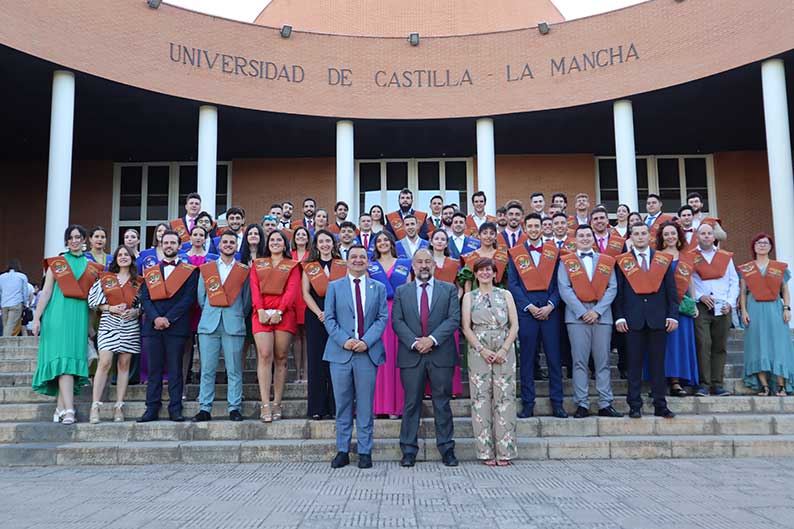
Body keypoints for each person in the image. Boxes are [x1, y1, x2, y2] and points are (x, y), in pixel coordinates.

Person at [392, 248, 461, 467]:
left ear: (434, 265)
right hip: (411, 355)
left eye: (428, 262)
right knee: (411, 404)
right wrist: (415, 342)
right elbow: (397, 322)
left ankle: (447, 449)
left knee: (442, 403)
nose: (423, 265)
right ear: (413, 266)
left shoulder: (448, 289)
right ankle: (409, 451)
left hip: (440, 354)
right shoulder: (402, 291)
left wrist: (431, 340)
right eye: (419, 262)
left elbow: (453, 319)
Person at [323, 246, 389, 469]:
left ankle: (364, 451)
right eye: (354, 257)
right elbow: (329, 318)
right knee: (342, 404)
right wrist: (344, 340)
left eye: (362, 257)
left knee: (365, 404)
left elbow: (382, 318)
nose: (358, 260)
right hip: (340, 353)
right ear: (347, 261)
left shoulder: (378, 287)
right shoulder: (334, 287)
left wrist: (366, 341)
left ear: (368, 261)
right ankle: (342, 450)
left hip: (367, 353)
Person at [32, 225, 104, 425]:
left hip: (79, 317)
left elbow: (92, 301)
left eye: (78, 237)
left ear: (84, 240)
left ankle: (61, 407)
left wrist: (90, 326)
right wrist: (37, 318)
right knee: (63, 362)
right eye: (71, 237)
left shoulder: (92, 267)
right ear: (66, 241)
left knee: (70, 362)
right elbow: (46, 292)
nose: (74, 240)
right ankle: (69, 410)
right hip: (56, 316)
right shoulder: (58, 263)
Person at [614, 222, 678, 419]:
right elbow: (619, 292)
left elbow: (671, 291)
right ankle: (634, 405)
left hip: (658, 319)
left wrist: (672, 315)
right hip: (632, 320)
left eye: (644, 233)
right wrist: (619, 317)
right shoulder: (622, 261)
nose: (640, 237)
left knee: (658, 365)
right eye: (636, 234)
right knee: (634, 366)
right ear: (631, 237)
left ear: (649, 236)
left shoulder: (662, 260)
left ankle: (661, 404)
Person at [557, 225, 622, 418]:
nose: (585, 238)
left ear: (593, 239)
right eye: (581, 236)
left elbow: (612, 288)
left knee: (602, 362)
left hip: (602, 316)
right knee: (579, 362)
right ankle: (582, 403)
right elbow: (564, 288)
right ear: (575, 240)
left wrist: (597, 311)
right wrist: (581, 311)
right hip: (577, 318)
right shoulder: (566, 262)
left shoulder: (605, 261)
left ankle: (605, 402)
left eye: (588, 235)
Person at [461, 257, 519, 465]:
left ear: (495, 273)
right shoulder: (469, 296)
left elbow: (514, 325)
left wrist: (504, 348)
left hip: (504, 347)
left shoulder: (506, 294)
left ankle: (505, 451)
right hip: (479, 349)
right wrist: (481, 349)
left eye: (489, 270)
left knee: (505, 399)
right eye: (481, 270)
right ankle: (485, 452)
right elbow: (466, 327)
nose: (485, 273)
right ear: (475, 274)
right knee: (480, 399)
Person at [507, 213, 566, 418]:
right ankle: (528, 403)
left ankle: (557, 403)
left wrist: (551, 305)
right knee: (528, 360)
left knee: (554, 358)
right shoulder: (515, 253)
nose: (533, 229)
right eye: (529, 226)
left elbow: (561, 283)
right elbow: (512, 284)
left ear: (543, 228)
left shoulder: (554, 252)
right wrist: (529, 306)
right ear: (525, 228)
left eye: (536, 226)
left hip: (551, 312)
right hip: (527, 312)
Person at [137, 230, 199, 422]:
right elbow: (145, 298)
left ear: (180, 246)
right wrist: (156, 318)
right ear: (161, 245)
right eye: (166, 243)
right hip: (153, 327)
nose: (169, 246)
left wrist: (168, 319)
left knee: (175, 370)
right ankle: (151, 408)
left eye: (173, 243)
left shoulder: (189, 271)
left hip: (177, 327)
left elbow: (188, 299)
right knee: (154, 370)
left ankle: (175, 408)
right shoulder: (151, 272)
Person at [192, 230, 251, 422]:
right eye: (225, 242)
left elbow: (247, 300)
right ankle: (205, 408)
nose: (228, 245)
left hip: (233, 324)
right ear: (219, 245)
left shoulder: (243, 270)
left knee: (234, 369)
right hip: (209, 324)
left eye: (232, 243)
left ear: (236, 246)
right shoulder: (207, 269)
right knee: (207, 369)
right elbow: (201, 297)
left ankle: (234, 407)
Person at [250, 230, 300, 422]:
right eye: (272, 240)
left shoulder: (292, 265)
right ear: (267, 243)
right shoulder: (258, 264)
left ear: (285, 244)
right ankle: (265, 404)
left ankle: (277, 402)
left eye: (279, 239)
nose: (275, 242)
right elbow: (254, 287)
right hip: (260, 314)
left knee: (281, 357)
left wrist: (279, 311)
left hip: (284, 314)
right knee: (264, 355)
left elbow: (292, 289)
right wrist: (260, 309)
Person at [87, 246, 141, 423]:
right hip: (109, 323)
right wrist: (110, 308)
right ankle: (95, 406)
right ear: (115, 258)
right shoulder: (106, 278)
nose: (123, 257)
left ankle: (119, 406)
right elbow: (93, 301)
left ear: (132, 258)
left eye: (127, 255)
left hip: (129, 324)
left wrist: (135, 312)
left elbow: (143, 305)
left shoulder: (139, 281)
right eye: (120, 255)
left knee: (124, 364)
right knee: (105, 362)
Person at [738, 233, 794, 396]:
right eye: (758, 242)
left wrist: (786, 308)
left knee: (779, 346)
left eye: (765, 243)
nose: (762, 245)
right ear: (753, 246)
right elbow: (742, 292)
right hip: (754, 309)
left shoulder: (779, 267)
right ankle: (764, 386)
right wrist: (744, 311)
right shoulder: (747, 268)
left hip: (775, 308)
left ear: (771, 247)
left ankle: (781, 385)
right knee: (757, 346)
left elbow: (785, 290)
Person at [691, 223, 739, 397]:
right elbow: (686, 281)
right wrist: (699, 296)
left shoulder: (725, 257)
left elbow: (734, 281)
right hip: (702, 306)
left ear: (714, 236)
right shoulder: (691, 256)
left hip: (723, 306)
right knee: (703, 344)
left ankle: (717, 384)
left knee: (719, 345)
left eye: (709, 233)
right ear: (697, 237)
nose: (706, 236)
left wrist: (730, 302)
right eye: (702, 233)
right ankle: (703, 383)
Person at [302, 230, 346, 419]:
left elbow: (345, 290)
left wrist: (332, 315)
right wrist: (319, 313)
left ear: (333, 244)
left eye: (328, 241)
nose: (325, 244)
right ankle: (317, 408)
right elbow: (305, 293)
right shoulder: (309, 266)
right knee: (316, 362)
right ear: (316, 245)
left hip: (338, 317)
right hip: (316, 315)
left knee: (336, 362)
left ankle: (336, 407)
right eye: (321, 241)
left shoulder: (342, 265)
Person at [369, 231, 413, 418]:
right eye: (379, 240)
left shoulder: (404, 264)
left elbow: (410, 291)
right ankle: (380, 406)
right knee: (379, 360)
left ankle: (397, 407)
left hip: (399, 313)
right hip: (378, 315)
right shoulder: (370, 266)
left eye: (386, 240)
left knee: (397, 360)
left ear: (392, 243)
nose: (383, 243)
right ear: (375, 245)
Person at [654, 221, 699, 396]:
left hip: (682, 306)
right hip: (662, 306)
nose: (670, 237)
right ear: (662, 238)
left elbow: (690, 281)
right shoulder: (657, 256)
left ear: (678, 236)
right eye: (666, 234)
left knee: (679, 343)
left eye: (673, 233)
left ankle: (676, 382)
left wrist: (693, 303)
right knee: (663, 344)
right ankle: (660, 380)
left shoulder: (686, 257)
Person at [179, 225, 219, 393]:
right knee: (185, 348)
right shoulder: (181, 258)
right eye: (194, 234)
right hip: (186, 308)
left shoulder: (212, 259)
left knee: (205, 349)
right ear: (190, 237)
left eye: (201, 235)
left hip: (206, 307)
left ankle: (205, 389)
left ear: (205, 238)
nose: (197, 237)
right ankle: (181, 388)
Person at [429, 230, 464, 397]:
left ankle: (452, 388)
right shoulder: (425, 262)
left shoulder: (454, 263)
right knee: (431, 348)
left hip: (449, 311)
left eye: (443, 239)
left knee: (450, 348)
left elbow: (460, 287)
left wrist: (454, 301)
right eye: (437, 238)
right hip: (429, 309)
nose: (440, 241)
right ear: (431, 241)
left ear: (446, 243)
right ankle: (429, 389)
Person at [461, 222, 510, 293]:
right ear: (479, 236)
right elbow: (468, 281)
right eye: (485, 233)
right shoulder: (472, 256)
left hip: (498, 296)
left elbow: (507, 280)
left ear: (496, 236)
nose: (488, 236)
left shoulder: (502, 256)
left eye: (492, 233)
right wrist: (468, 299)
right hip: (477, 296)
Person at [291, 226, 311, 383]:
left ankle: (306, 373)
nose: (301, 237)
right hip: (292, 297)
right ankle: (297, 373)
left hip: (307, 297)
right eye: (298, 234)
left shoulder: (312, 255)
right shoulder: (288, 255)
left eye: (304, 235)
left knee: (307, 336)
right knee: (296, 337)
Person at [0, 258, 29, 336]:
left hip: (4, 304)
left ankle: (3, 343)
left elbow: (0, 291)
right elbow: (25, 291)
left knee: (6, 326)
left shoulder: (1, 277)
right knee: (10, 326)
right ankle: (4, 345)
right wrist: (25, 304)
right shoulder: (22, 276)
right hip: (16, 303)